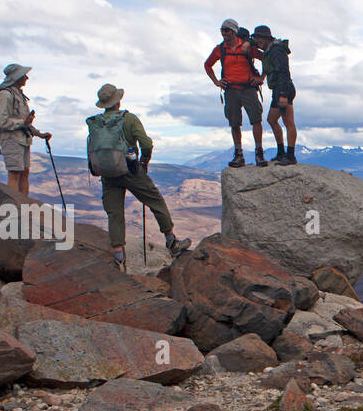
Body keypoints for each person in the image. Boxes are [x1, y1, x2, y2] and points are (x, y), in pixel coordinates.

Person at [89, 83, 190, 270]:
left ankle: (119, 258)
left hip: (108, 174)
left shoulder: (97, 123)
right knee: (155, 200)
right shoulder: (129, 119)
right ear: (118, 101)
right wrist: (144, 159)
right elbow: (145, 143)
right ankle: (171, 242)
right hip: (130, 170)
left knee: (115, 213)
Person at [204, 19, 267, 168]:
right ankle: (239, 154)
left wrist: (261, 78)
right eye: (222, 30)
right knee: (234, 123)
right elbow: (207, 65)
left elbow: (265, 58)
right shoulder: (220, 49)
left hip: (248, 88)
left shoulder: (246, 47)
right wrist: (216, 82)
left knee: (256, 119)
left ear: (233, 31)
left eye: (226, 30)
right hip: (231, 89)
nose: (224, 33)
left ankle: (259, 152)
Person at [0, 64, 51, 195]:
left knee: (24, 172)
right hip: (11, 140)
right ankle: (14, 207)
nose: (27, 77)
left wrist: (40, 134)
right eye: (24, 75)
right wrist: (23, 122)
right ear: (17, 77)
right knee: (14, 173)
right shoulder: (6, 95)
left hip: (22, 140)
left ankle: (23, 205)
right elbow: (2, 121)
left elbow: (24, 122)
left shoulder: (18, 95)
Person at [248, 25, 297, 165]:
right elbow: (251, 42)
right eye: (255, 38)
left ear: (265, 38)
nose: (257, 41)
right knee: (271, 119)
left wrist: (283, 94)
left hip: (284, 89)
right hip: (278, 89)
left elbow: (284, 72)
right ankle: (282, 152)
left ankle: (290, 155)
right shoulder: (270, 50)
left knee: (288, 122)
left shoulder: (276, 51)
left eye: (259, 38)